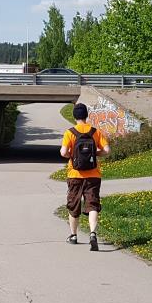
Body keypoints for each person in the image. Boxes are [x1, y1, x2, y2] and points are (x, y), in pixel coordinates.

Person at [60, 103, 111, 251]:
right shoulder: (95, 132)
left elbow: (63, 153)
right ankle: (93, 233)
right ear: (86, 115)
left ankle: (73, 236)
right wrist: (95, 154)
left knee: (74, 204)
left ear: (75, 116)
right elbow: (107, 150)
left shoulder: (70, 132)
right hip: (93, 174)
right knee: (93, 204)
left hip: (75, 174)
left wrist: (73, 156)